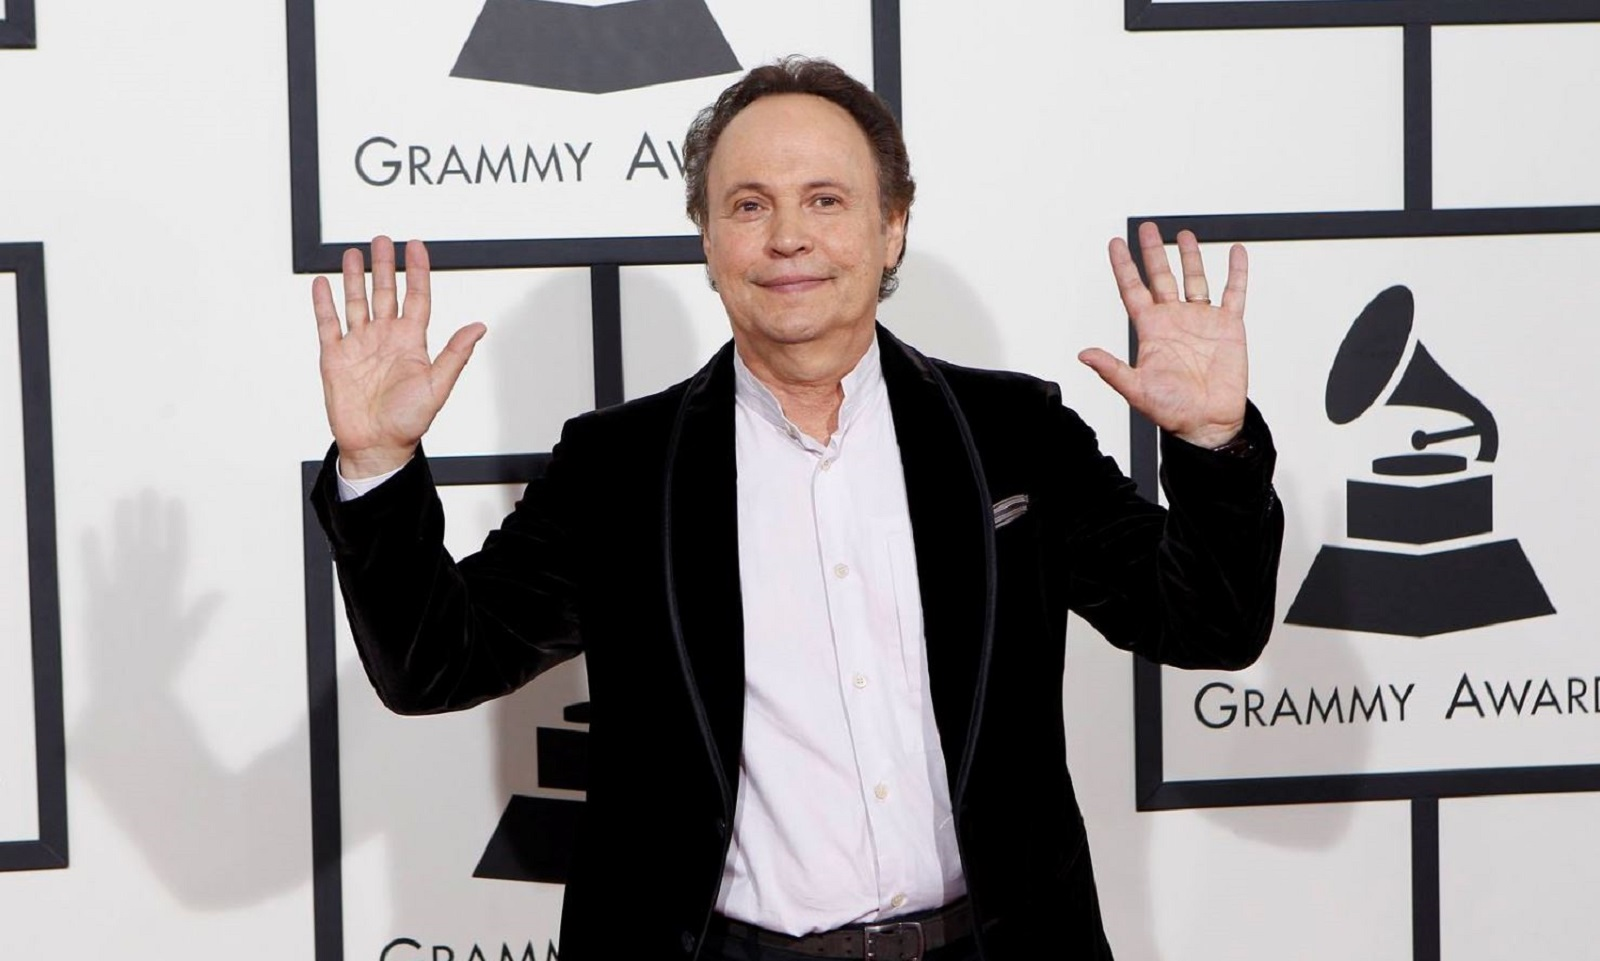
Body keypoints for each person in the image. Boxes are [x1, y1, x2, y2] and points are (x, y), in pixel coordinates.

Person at [310, 57, 1283, 961]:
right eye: (748, 204)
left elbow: (1207, 624)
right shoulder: (621, 468)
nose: (788, 237)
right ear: (707, 236)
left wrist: (1208, 447)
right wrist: (379, 463)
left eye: (826, 199)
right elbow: (435, 662)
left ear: (890, 224)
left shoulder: (1010, 433)